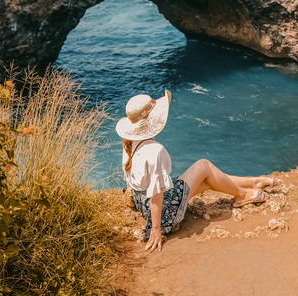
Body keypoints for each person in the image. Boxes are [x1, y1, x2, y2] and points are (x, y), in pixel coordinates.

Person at [117, 90, 281, 253]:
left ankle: (253, 182)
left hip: (142, 202)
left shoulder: (128, 140)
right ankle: (242, 195)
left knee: (207, 179)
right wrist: (156, 228)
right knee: (204, 165)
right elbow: (157, 195)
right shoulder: (155, 151)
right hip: (164, 210)